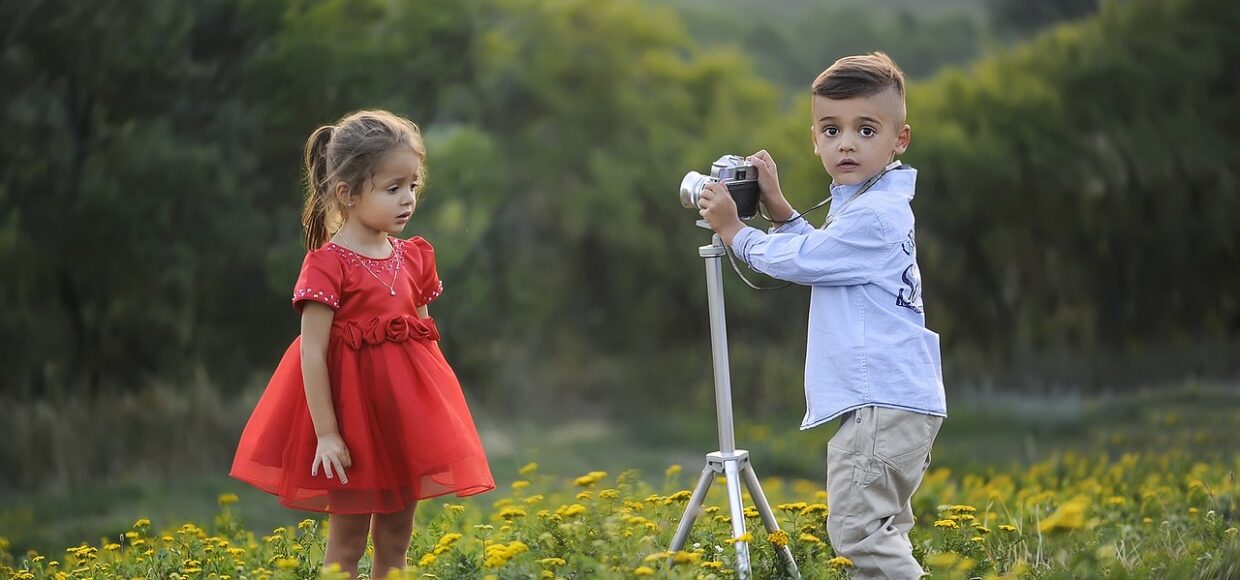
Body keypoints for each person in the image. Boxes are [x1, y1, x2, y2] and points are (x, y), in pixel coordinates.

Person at [696, 52, 947, 578]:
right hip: (894, 398)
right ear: (814, 139)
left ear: (899, 139)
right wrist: (781, 210)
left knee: (857, 531)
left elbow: (805, 262)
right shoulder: (866, 202)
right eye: (831, 130)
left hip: (882, 400)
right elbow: (827, 255)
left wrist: (734, 232)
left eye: (866, 129)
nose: (846, 143)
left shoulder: (875, 215)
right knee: (879, 533)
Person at [230, 110, 494, 577]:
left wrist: (435, 418)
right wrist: (329, 433)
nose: (408, 198)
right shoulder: (328, 265)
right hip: (352, 426)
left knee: (396, 538)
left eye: (413, 185)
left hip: (401, 422)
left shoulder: (414, 257)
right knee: (348, 543)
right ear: (347, 194)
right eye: (392, 189)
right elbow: (311, 353)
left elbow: (426, 341)